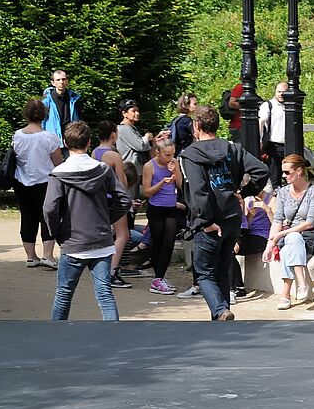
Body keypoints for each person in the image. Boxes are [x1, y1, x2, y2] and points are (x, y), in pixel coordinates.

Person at [180, 105, 269, 321]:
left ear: (196, 126)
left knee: (204, 273)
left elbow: (199, 191)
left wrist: (206, 221)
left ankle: (220, 310)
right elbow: (262, 170)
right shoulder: (232, 148)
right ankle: (222, 319)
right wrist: (243, 192)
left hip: (210, 221)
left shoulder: (190, 155)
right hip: (232, 217)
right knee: (222, 269)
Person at [43, 121, 128, 321]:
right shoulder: (103, 169)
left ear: (65, 143)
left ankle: (55, 335)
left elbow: (49, 208)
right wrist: (107, 219)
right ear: (89, 142)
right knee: (105, 294)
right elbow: (124, 199)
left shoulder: (59, 174)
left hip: (73, 241)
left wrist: (56, 232)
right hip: (101, 241)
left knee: (64, 295)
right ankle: (115, 335)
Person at [266, 154, 314, 310]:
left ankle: (286, 294)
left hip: (309, 235)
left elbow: (310, 222)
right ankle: (301, 283)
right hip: (290, 236)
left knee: (289, 245)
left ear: (299, 171)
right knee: (291, 240)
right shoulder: (283, 192)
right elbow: (278, 219)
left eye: (287, 172)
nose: (284, 176)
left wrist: (281, 234)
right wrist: (270, 244)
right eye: (283, 172)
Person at [11, 99, 61, 269]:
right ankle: (48, 255)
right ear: (44, 115)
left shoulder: (17, 135)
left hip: (21, 181)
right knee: (47, 216)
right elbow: (58, 162)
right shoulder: (49, 137)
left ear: (26, 114)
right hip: (45, 181)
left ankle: (31, 256)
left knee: (27, 217)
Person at [93, 121, 137, 290]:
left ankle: (101, 270)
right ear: (113, 135)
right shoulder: (114, 155)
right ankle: (112, 272)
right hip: (114, 198)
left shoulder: (95, 152)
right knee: (122, 235)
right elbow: (122, 181)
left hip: (99, 198)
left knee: (104, 234)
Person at [140, 138, 182, 297]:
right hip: (156, 209)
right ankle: (158, 279)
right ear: (158, 152)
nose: (170, 158)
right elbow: (146, 192)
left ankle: (159, 278)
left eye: (172, 154)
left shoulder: (174, 163)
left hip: (171, 208)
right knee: (157, 242)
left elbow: (180, 185)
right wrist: (162, 183)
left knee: (169, 243)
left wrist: (175, 172)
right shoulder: (149, 166)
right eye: (167, 155)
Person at [229, 185, 273, 301]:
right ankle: (237, 287)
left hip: (262, 236)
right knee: (227, 249)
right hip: (248, 234)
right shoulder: (249, 200)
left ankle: (235, 288)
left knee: (229, 251)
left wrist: (267, 209)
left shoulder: (271, 199)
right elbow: (246, 225)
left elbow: (276, 223)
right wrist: (250, 216)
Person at [258, 82, 288, 186]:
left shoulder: (291, 105)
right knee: (275, 175)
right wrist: (259, 140)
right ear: (275, 91)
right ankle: (275, 193)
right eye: (279, 92)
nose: (281, 94)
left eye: (284, 92)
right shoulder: (268, 105)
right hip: (274, 144)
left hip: (289, 145)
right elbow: (261, 122)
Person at [42, 69, 81, 142]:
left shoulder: (74, 98)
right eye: (58, 80)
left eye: (63, 79)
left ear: (67, 81)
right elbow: (42, 122)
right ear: (53, 83)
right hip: (53, 140)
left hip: (71, 139)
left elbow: (78, 120)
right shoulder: (46, 101)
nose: (61, 82)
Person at [116, 98, 155, 167]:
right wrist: (147, 137)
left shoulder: (131, 128)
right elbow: (140, 146)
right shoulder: (124, 128)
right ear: (124, 113)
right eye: (133, 111)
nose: (137, 113)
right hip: (130, 169)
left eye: (137, 111)